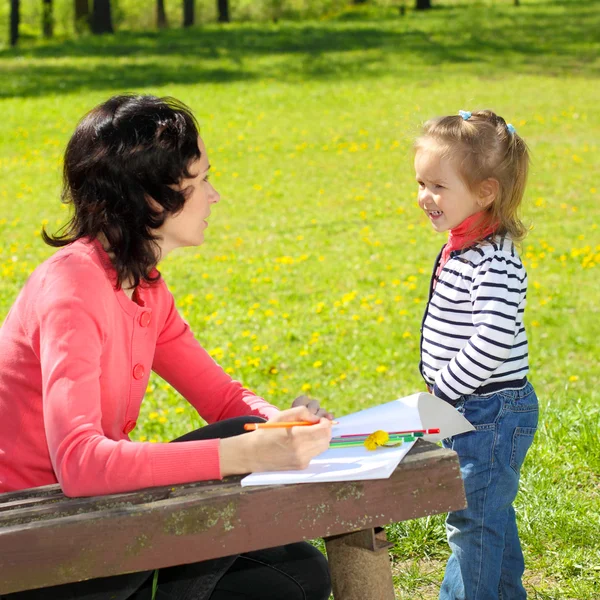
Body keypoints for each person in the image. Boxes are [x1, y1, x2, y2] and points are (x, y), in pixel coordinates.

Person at [0, 94, 333, 600]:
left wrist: (283, 423)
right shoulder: (72, 286)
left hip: (85, 516)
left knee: (300, 576)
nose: (214, 196)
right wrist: (242, 451)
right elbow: (80, 463)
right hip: (31, 541)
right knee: (232, 444)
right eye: (198, 182)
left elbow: (223, 398)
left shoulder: (144, 287)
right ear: (151, 199)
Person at [413, 109, 539, 600]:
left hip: (489, 412)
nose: (425, 196)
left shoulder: (495, 262)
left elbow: (491, 340)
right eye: (421, 183)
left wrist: (443, 390)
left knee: (472, 521)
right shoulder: (464, 246)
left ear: (485, 192)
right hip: (473, 407)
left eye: (438, 186)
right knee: (488, 512)